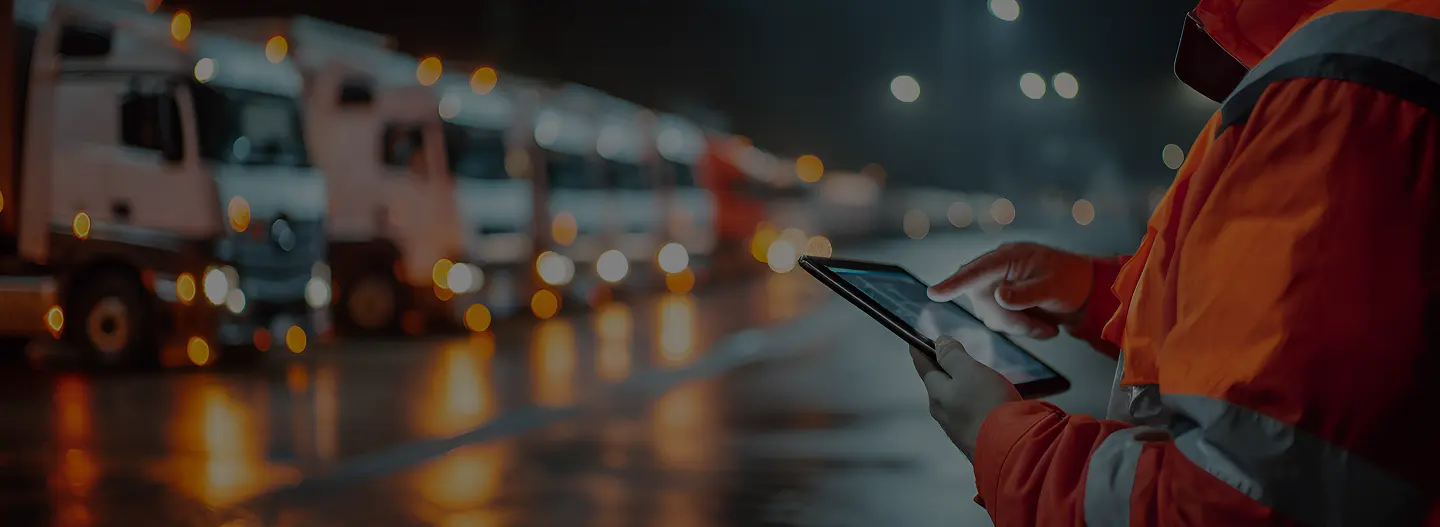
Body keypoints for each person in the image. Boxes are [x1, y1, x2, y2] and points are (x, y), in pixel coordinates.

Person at [912, 0, 1440, 524]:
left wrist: (1001, 439)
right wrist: (1092, 292)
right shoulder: (1364, 48)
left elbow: (1235, 500)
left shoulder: (1337, 81)